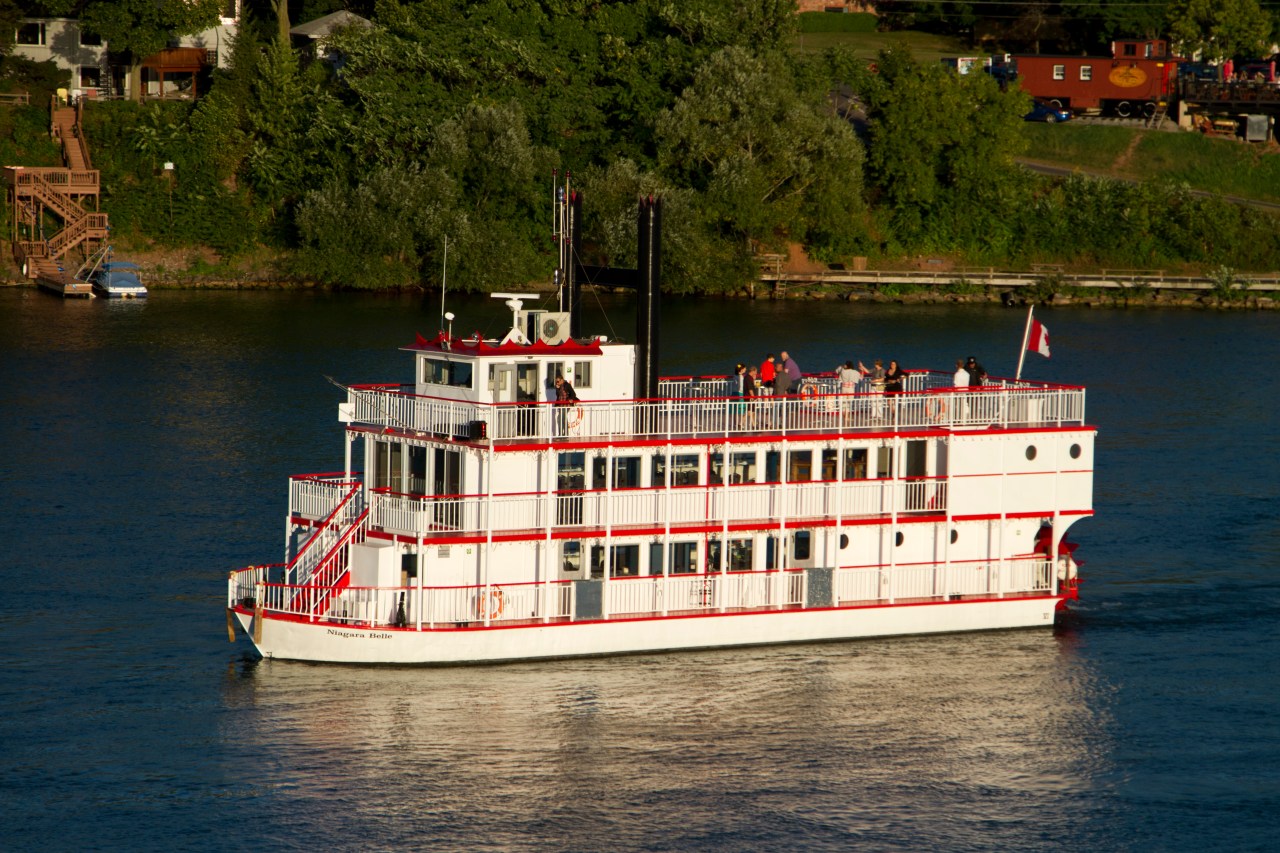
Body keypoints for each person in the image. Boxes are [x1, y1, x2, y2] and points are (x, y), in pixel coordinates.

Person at [554, 372, 579, 437]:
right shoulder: (558, 386)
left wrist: (571, 398)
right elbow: (557, 395)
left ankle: (564, 434)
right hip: (560, 404)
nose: (557, 383)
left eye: (558, 381)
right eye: (556, 382)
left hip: (566, 404)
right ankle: (561, 434)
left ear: (562, 380)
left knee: (562, 418)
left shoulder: (567, 385)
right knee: (560, 418)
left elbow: (573, 394)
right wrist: (557, 388)